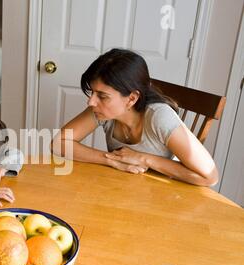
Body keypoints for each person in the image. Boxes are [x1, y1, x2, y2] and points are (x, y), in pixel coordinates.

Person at [52, 48, 218, 187]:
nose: (91, 101)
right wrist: (111, 160)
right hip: (124, 188)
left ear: (131, 98)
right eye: (92, 93)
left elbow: (210, 176)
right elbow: (58, 144)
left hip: (164, 196)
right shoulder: (102, 110)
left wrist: (143, 159)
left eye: (102, 96)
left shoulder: (160, 117)